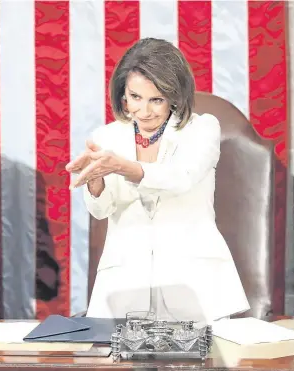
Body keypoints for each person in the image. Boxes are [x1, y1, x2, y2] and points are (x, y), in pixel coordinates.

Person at [66, 38, 250, 322]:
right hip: (123, 288)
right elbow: (101, 210)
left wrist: (126, 167)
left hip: (195, 287)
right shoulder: (107, 137)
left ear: (175, 96)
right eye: (135, 97)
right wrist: (95, 181)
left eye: (156, 100)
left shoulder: (202, 129)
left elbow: (181, 178)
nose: (144, 111)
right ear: (122, 94)